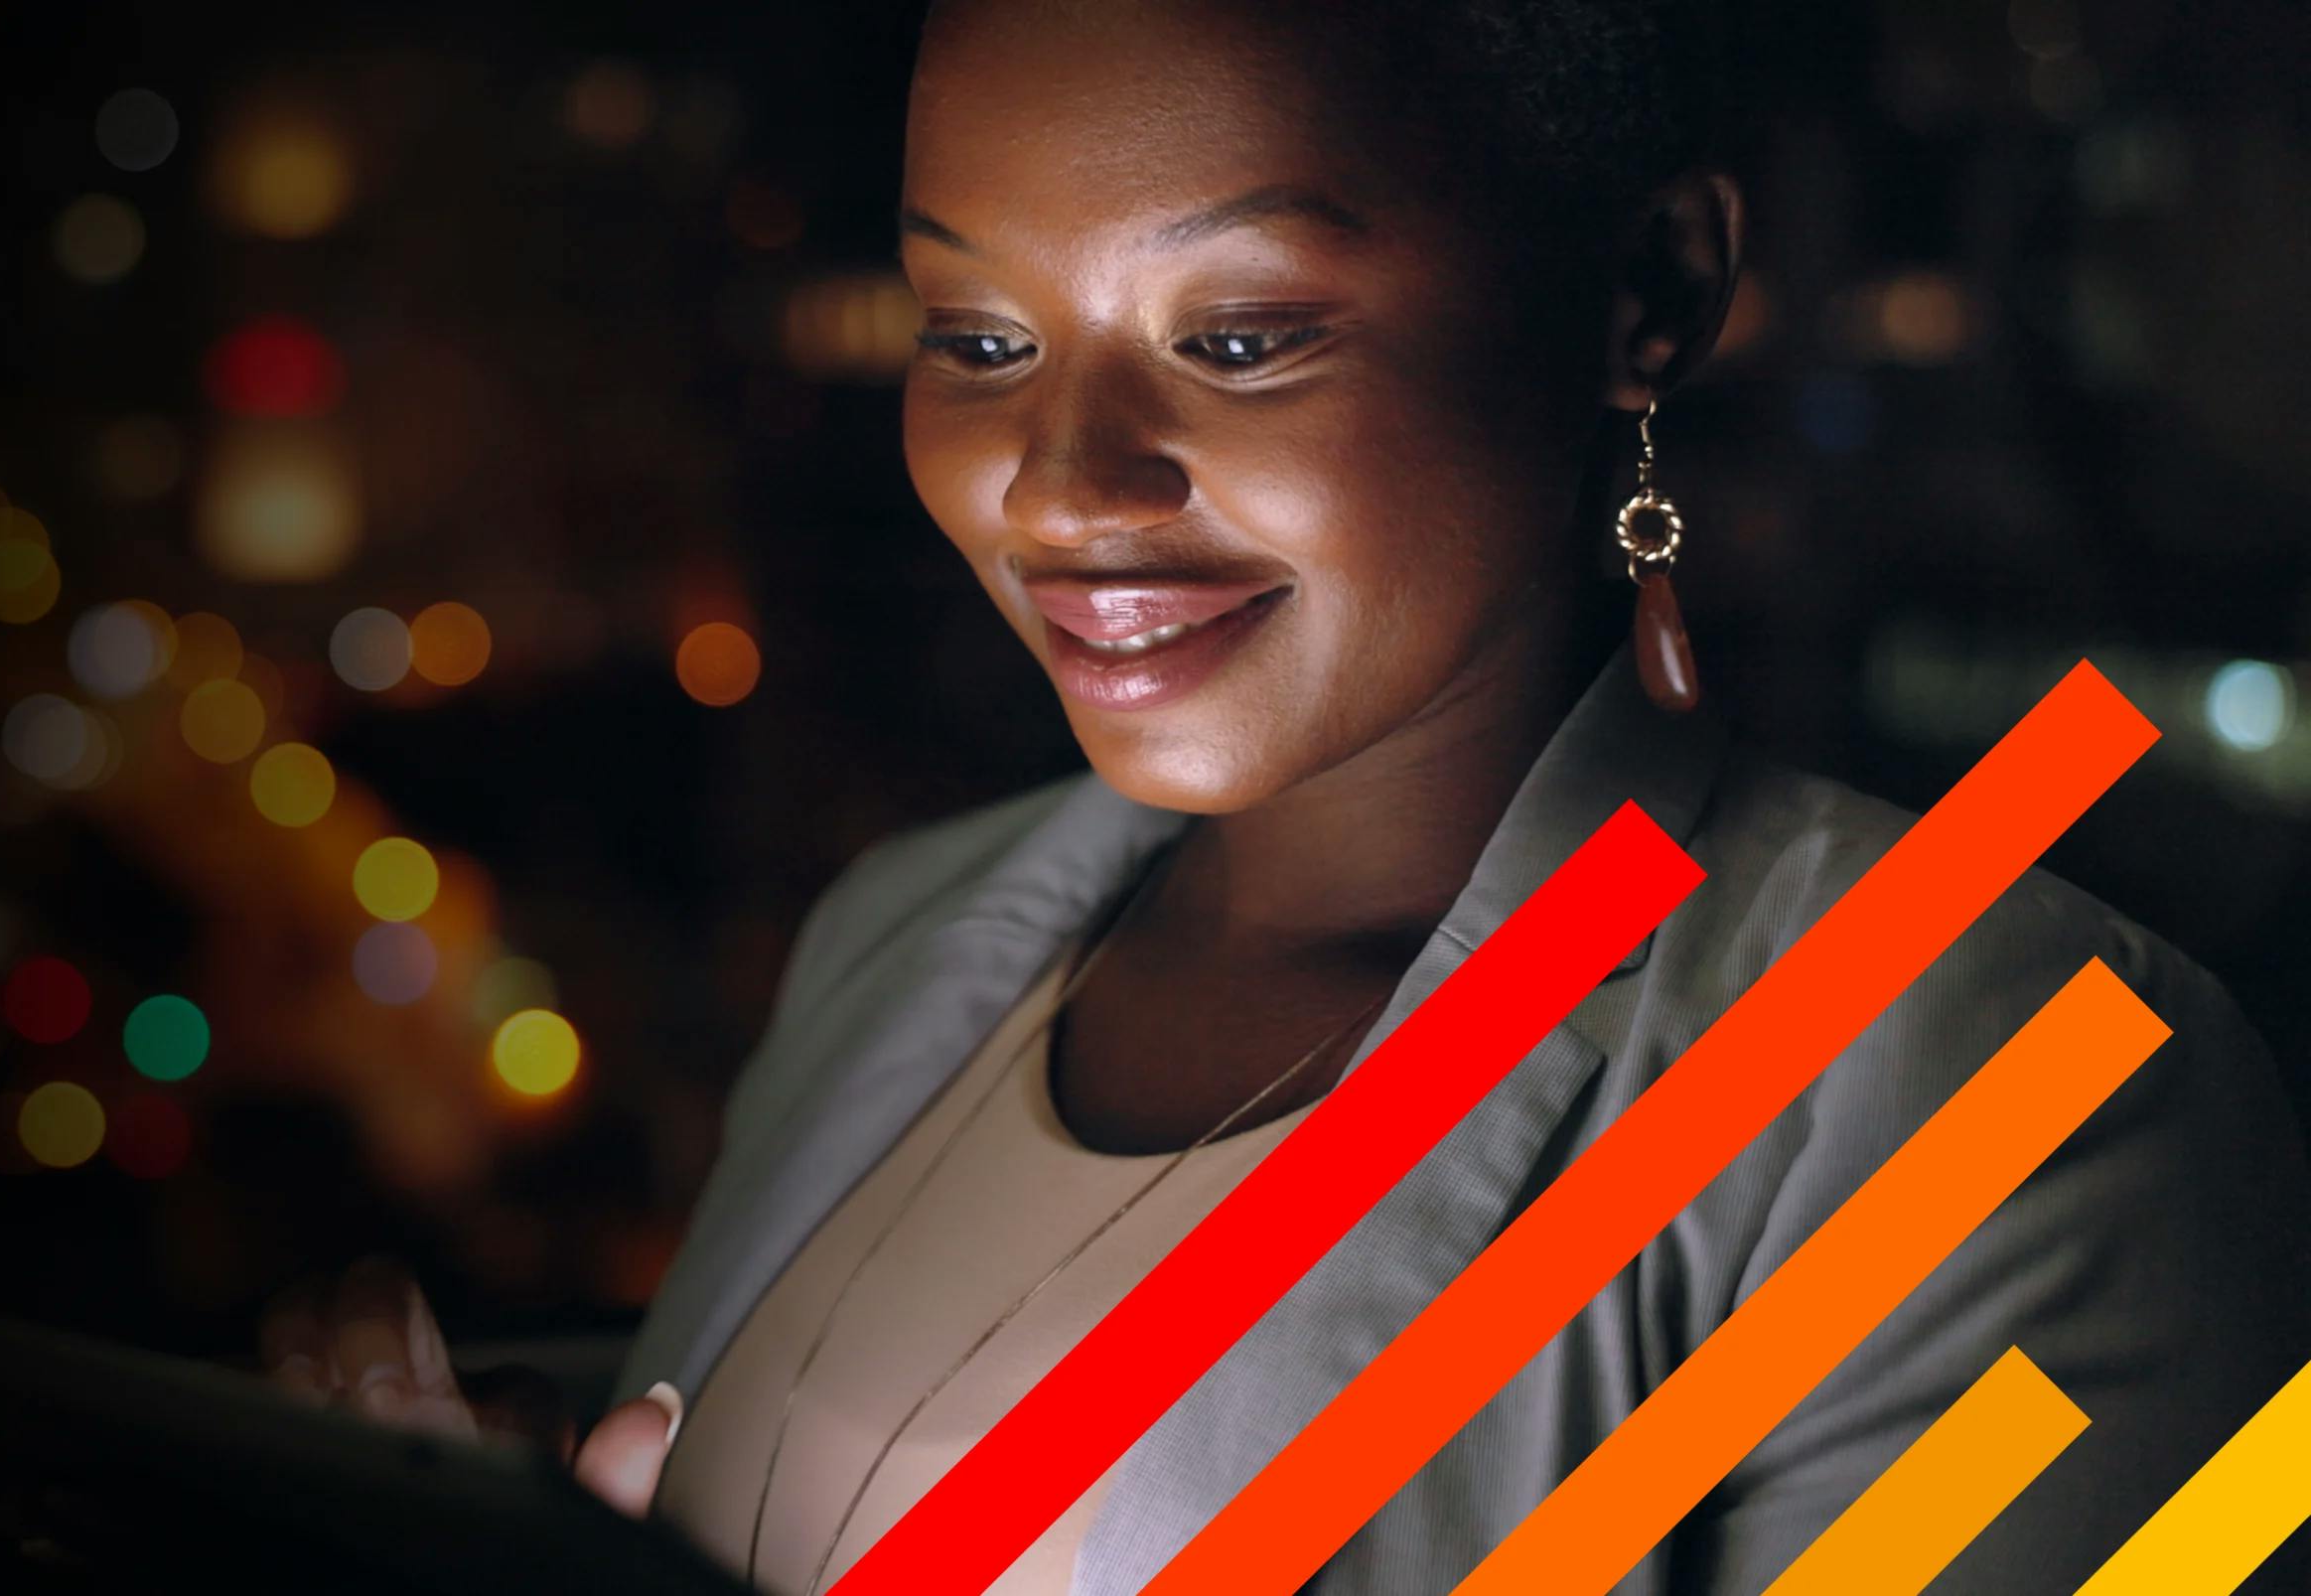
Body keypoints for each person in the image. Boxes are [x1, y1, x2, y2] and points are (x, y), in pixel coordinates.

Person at [258, 2, 2311, 1591]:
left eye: (1235, 337)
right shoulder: (905, 936)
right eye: (974, 333)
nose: (1059, 483)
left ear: (1646, 292)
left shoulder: (2020, 1100)